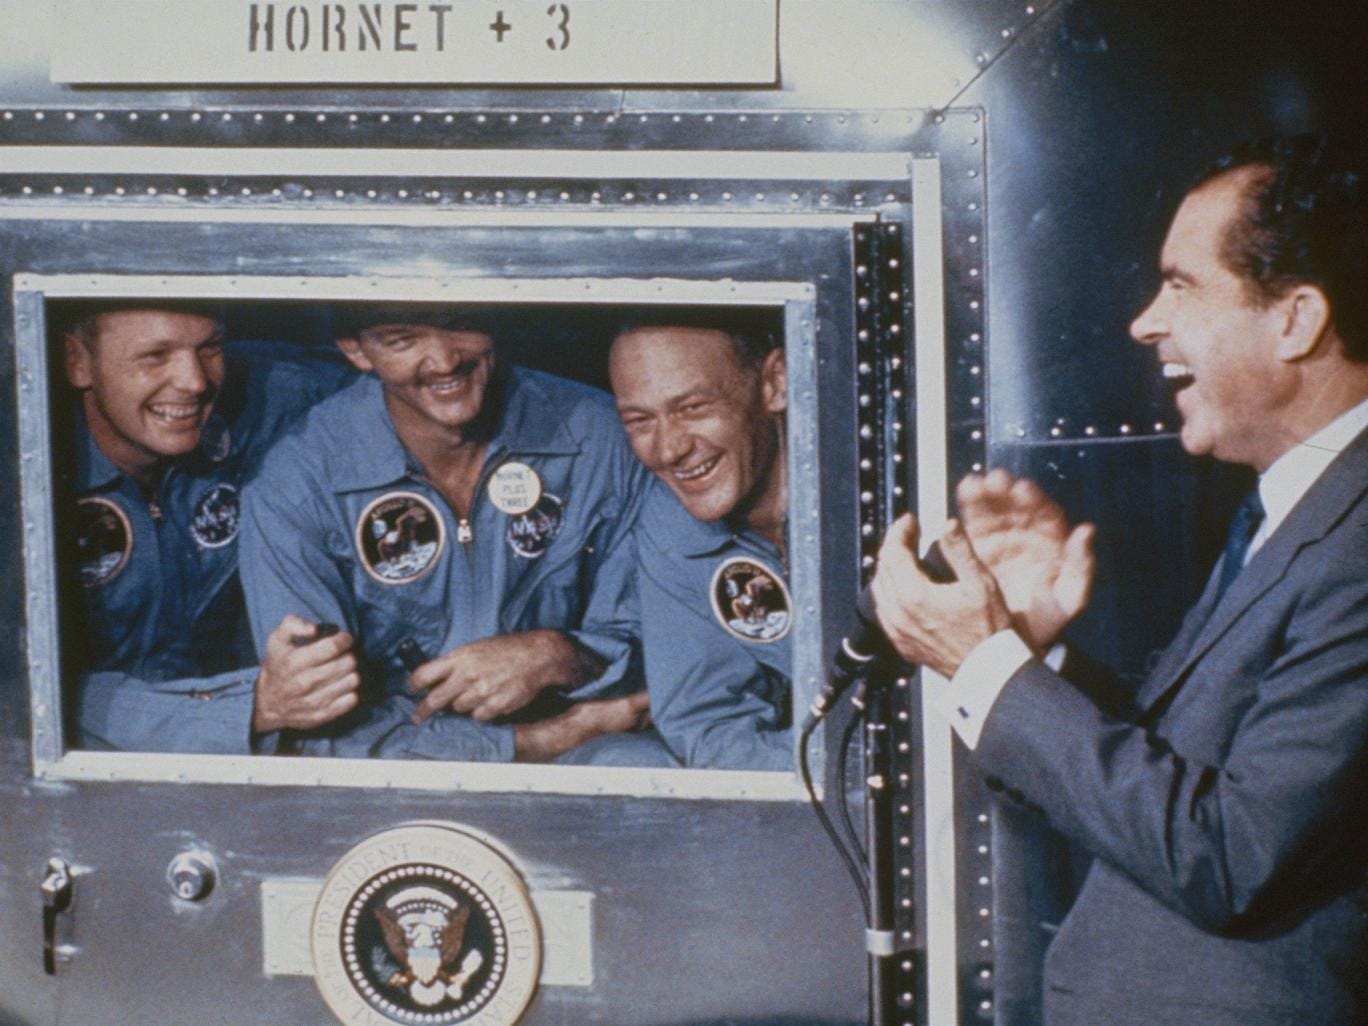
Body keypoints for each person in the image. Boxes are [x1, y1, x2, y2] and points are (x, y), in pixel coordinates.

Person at [872, 134, 1368, 1025]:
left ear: (1296, 319)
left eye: (1181, 285)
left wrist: (988, 668)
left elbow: (1233, 854)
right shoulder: (1304, 506)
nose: (1146, 322)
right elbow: (1205, 773)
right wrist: (1037, 655)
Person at [239, 304, 658, 762]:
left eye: (460, 324)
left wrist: (562, 655)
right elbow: (311, 730)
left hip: (591, 742)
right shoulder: (297, 483)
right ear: (356, 350)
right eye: (402, 339)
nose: (444, 361)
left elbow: (670, 653)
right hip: (401, 762)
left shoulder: (600, 438)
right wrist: (534, 742)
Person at [64, 301, 360, 754]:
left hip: (253, 749)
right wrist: (247, 710)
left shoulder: (264, 400)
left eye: (210, 348)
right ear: (78, 362)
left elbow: (408, 384)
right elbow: (22, 691)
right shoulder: (26, 468)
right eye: (155, 356)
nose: (196, 381)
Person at [608, 310, 793, 770]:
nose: (669, 449)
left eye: (693, 408)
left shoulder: (874, 494)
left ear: (775, 383)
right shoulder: (668, 519)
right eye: (639, 421)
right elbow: (708, 724)